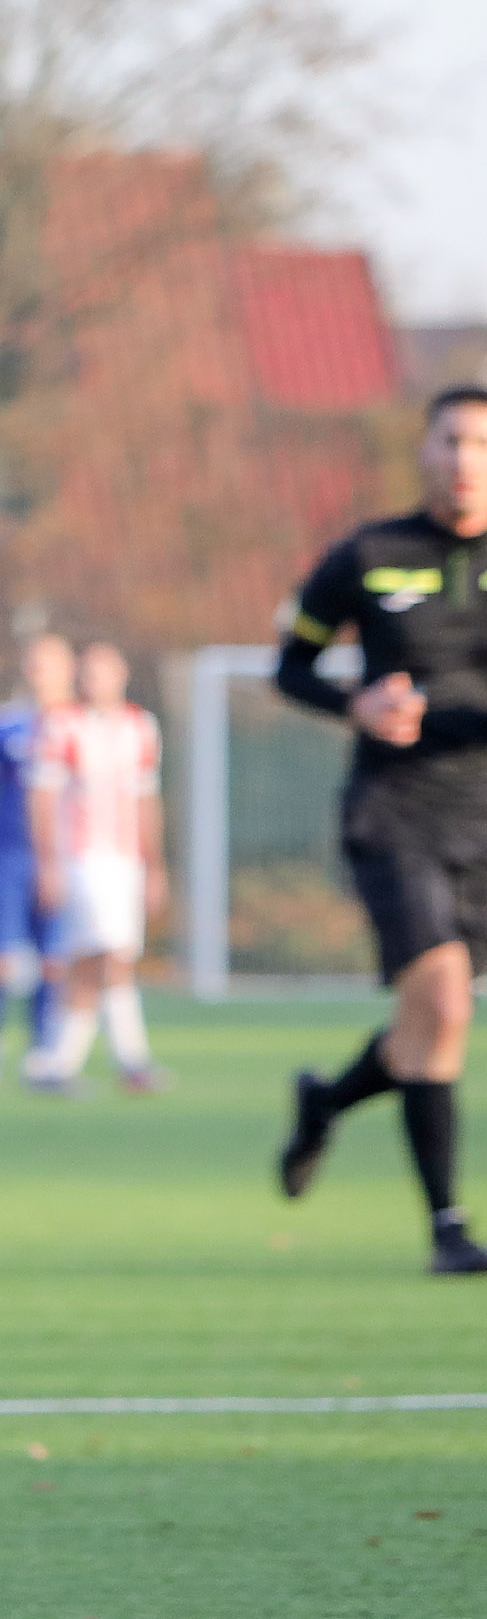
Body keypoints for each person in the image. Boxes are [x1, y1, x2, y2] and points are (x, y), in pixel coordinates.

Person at [274, 385, 487, 1276]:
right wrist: (353, 703)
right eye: (451, 440)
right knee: (444, 1003)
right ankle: (447, 1229)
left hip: (481, 817)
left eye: (479, 444)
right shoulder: (368, 554)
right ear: (424, 450)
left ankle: (325, 1101)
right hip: (392, 808)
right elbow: (291, 667)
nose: (464, 460)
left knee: (423, 1026)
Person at [28, 640, 167, 1092]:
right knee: (108, 954)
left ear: (122, 673)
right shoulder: (62, 725)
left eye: (104, 671)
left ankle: (61, 1064)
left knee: (102, 958)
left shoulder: (141, 726)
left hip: (126, 859)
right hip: (82, 858)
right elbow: (43, 797)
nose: (95, 681)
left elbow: (147, 798)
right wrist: (48, 862)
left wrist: (154, 865)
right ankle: (128, 1060)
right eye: (88, 672)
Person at [0, 635, 75, 1097]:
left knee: (54, 959)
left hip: (65, 860)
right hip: (8, 858)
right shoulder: (2, 724)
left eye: (48, 665)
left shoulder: (80, 726)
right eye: (32, 665)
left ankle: (42, 1056)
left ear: (68, 669)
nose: (38, 674)